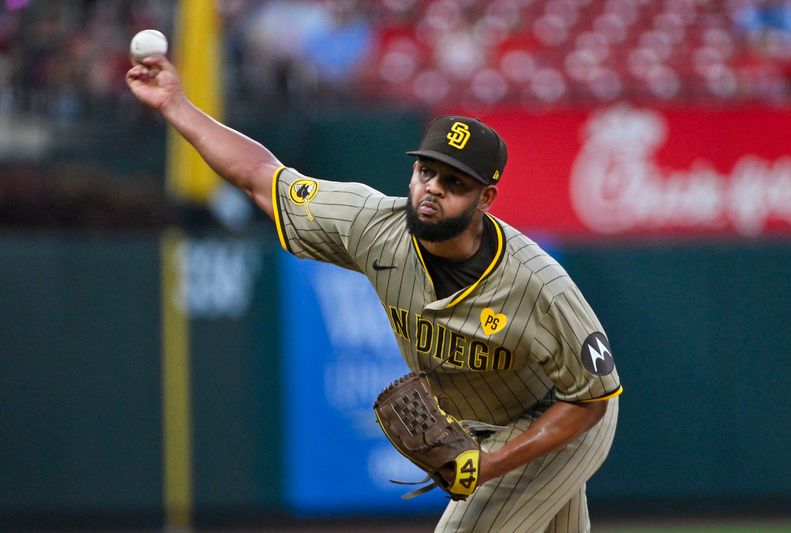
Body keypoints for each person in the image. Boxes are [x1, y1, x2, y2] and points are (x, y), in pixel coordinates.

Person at [127, 54, 621, 533]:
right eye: (425, 171)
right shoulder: (372, 224)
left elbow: (591, 400)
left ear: (485, 199)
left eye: (453, 182)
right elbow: (261, 176)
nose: (431, 189)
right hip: (485, 425)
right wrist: (176, 104)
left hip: (564, 417)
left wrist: (492, 464)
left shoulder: (539, 283)